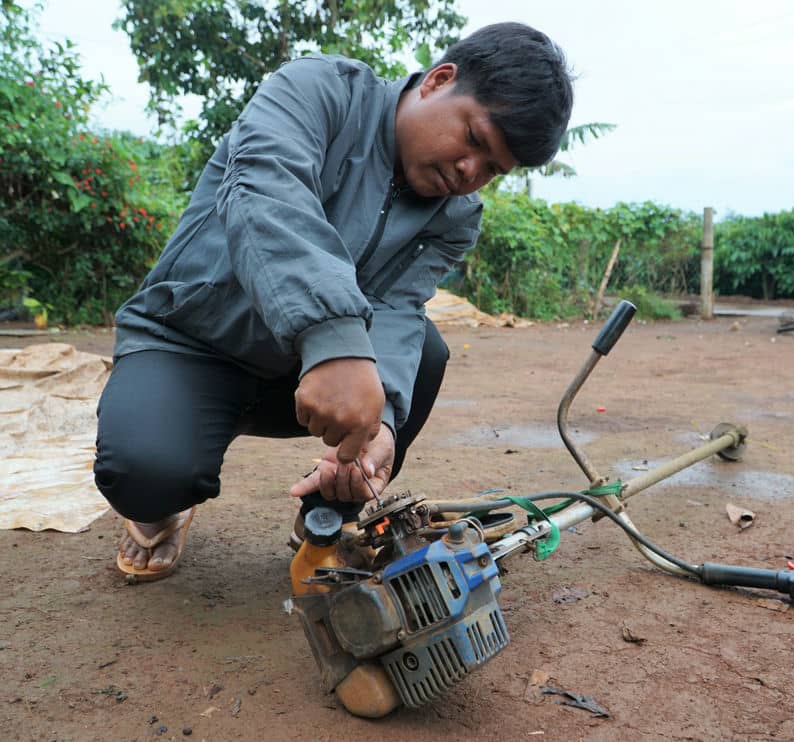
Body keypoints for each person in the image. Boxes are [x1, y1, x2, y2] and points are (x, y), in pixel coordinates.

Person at [94, 22, 574, 581]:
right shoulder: (318, 91)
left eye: (492, 170)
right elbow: (265, 195)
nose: (471, 172)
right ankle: (163, 506)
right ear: (438, 81)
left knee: (424, 353)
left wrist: (381, 427)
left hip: (306, 372)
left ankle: (325, 515)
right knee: (145, 472)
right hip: (193, 339)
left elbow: (398, 306)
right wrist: (332, 338)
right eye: (474, 138)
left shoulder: (456, 217)